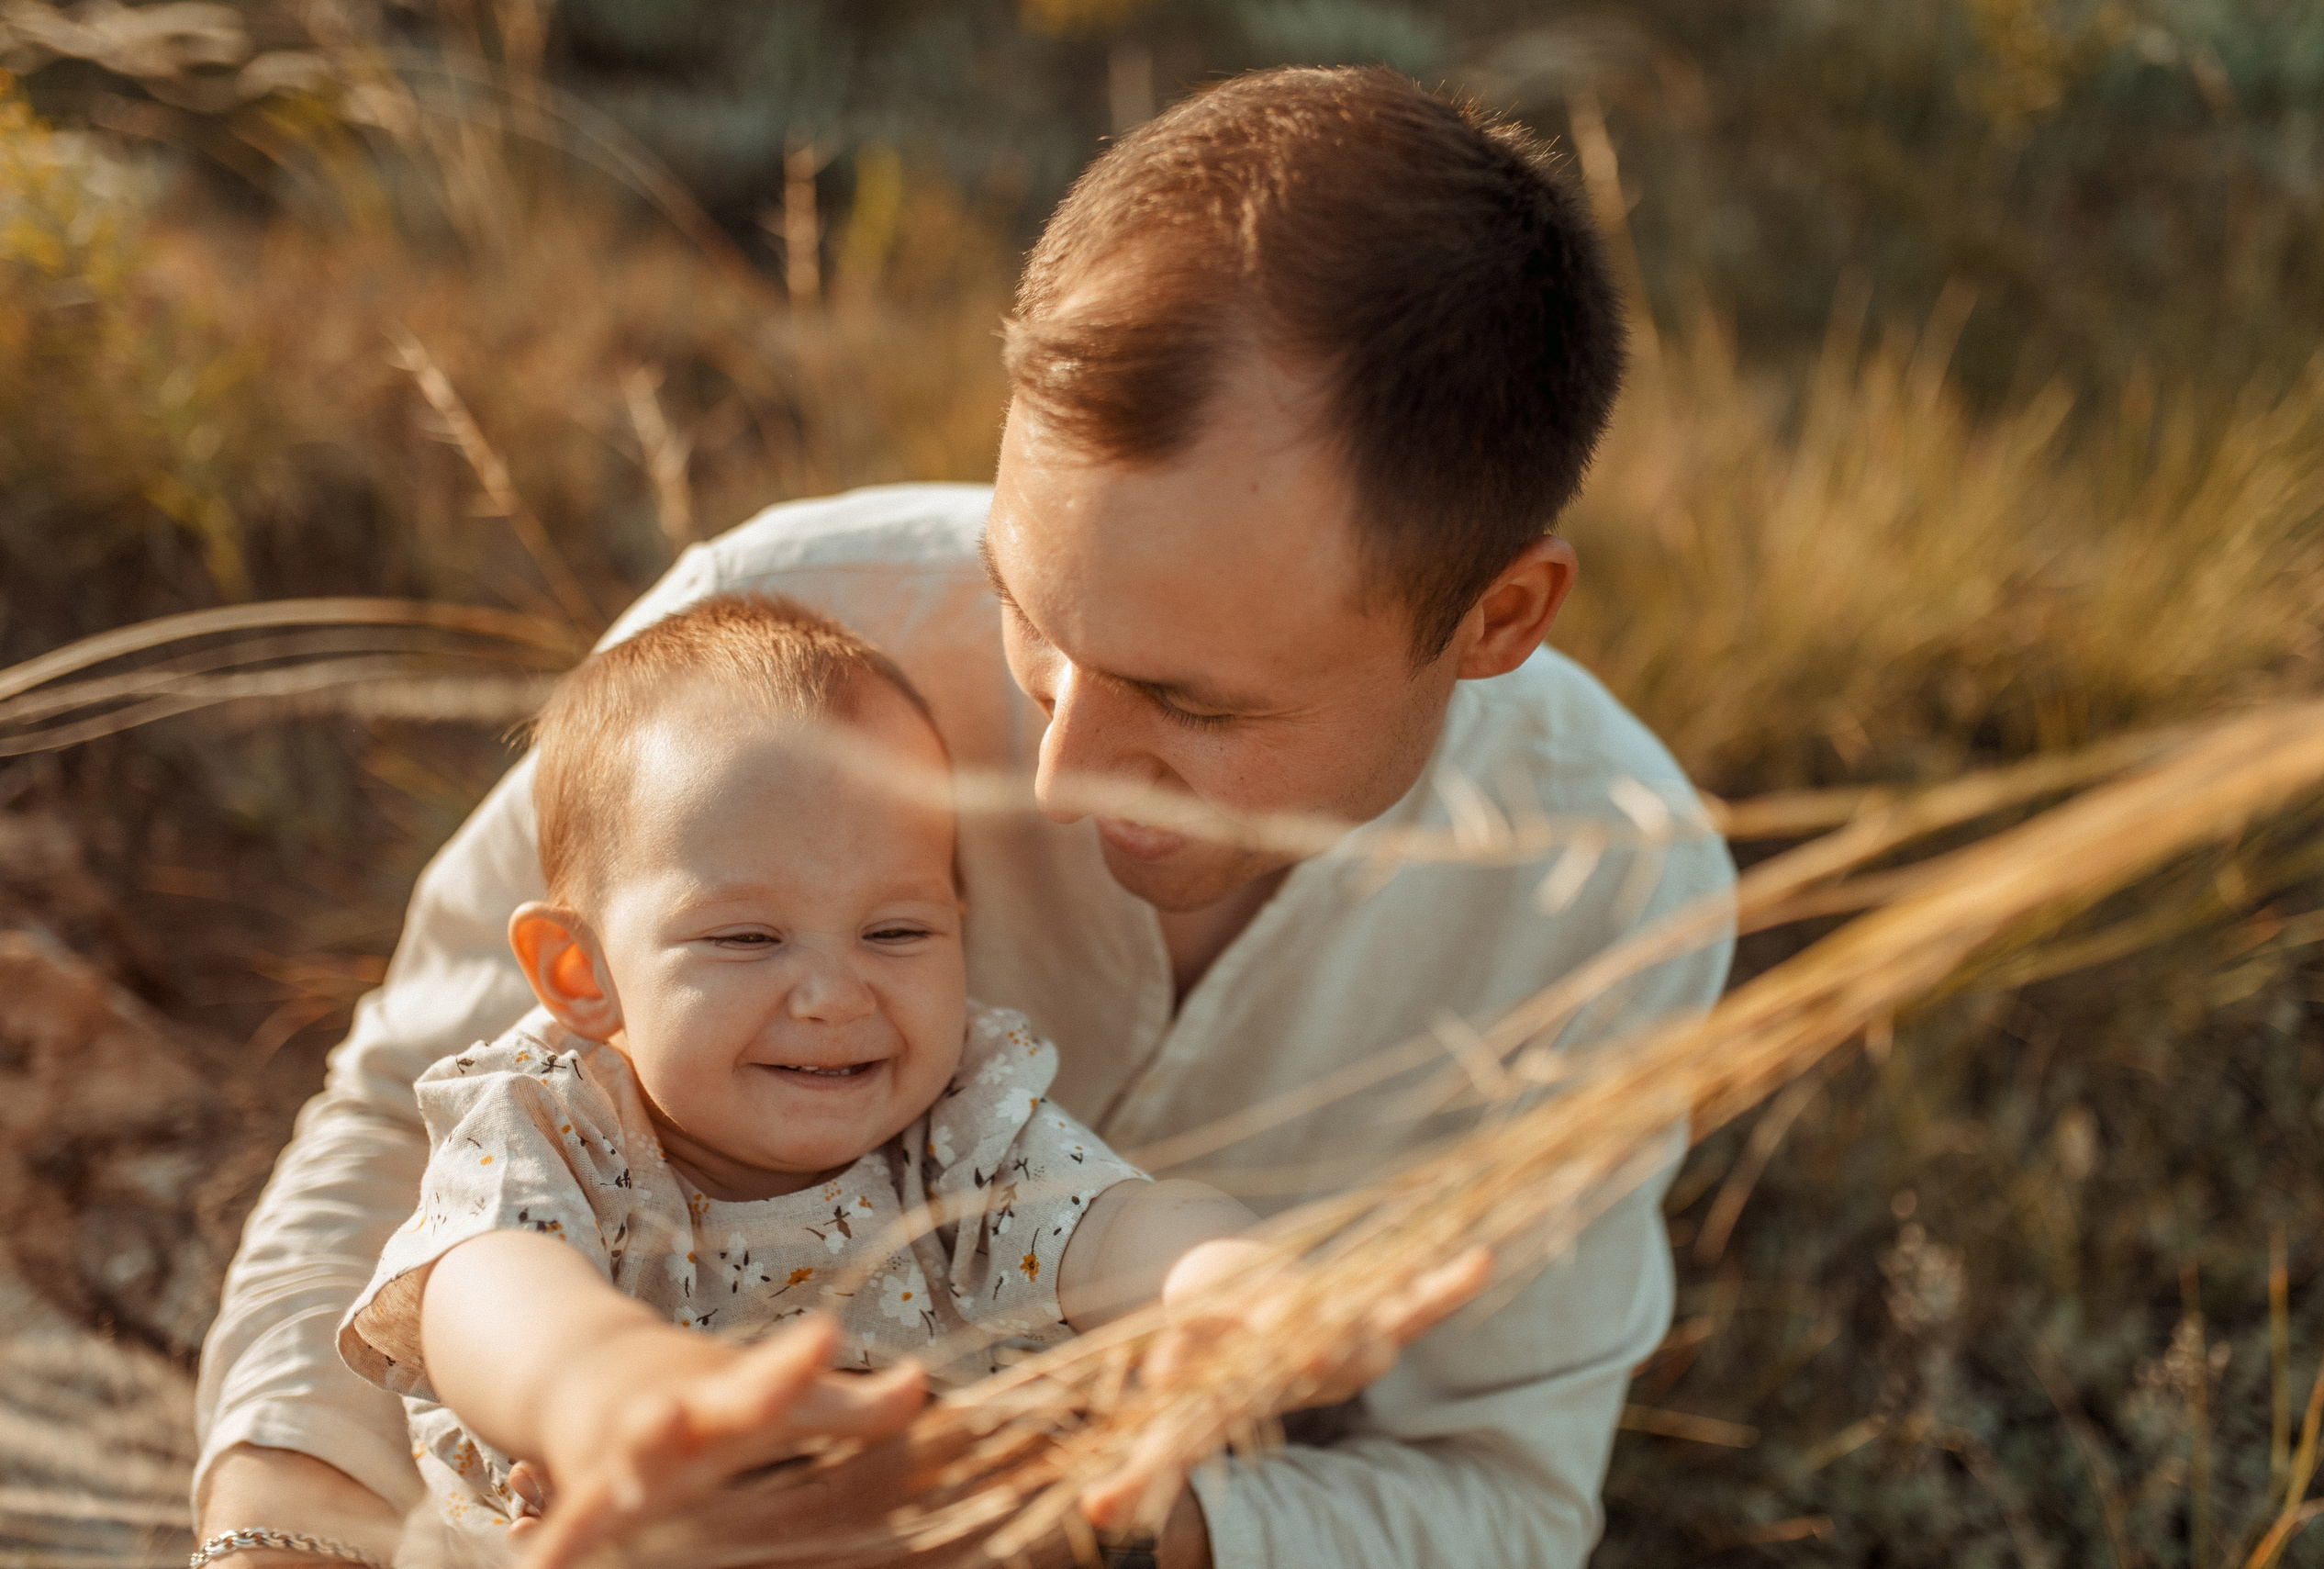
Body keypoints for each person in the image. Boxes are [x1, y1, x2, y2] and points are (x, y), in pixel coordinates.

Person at [195, 65, 1734, 1569]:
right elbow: (407, 1135)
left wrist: (1074, 1514)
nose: (1055, 776)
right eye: (1025, 618)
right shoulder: (770, 644)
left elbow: (1499, 1497)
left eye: (1191, 703)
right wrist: (282, 1539)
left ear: (1497, 615)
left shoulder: (1612, 887)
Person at [342, 594, 1479, 1569]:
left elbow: (1116, 1219)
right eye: (745, 939)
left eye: (895, 931)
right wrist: (602, 1384)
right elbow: (483, 1284)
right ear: (581, 970)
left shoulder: (960, 1129)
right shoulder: (555, 1122)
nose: (835, 994)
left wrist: (1226, 1278)